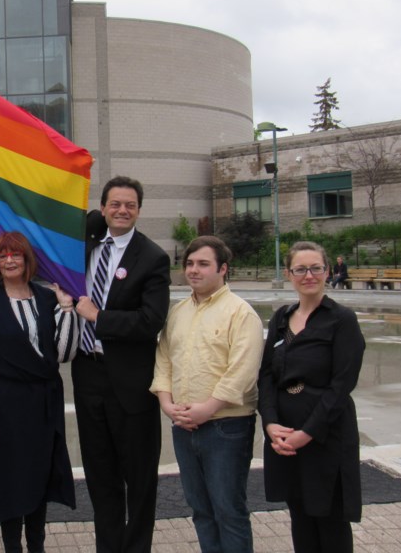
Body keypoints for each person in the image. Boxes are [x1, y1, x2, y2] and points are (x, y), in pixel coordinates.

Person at [73, 176, 171, 553]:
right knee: (100, 476)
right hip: (88, 375)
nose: (122, 210)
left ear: (140, 211)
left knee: (139, 479)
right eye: (115, 204)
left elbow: (151, 321)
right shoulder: (88, 242)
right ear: (103, 209)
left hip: (131, 385)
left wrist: (99, 317)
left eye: (130, 205)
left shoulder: (152, 258)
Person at [151, 236, 264, 553]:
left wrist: (208, 409)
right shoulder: (178, 312)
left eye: (203, 264)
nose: (193, 270)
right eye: (189, 264)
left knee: (229, 511)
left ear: (223, 269)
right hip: (183, 426)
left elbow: (241, 373)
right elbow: (164, 359)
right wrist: (167, 404)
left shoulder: (241, 314)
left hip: (226, 428)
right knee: (200, 510)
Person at [0, 232, 78, 553]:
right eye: (3, 256)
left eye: (16, 255)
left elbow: (63, 354)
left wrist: (67, 310)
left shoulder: (46, 299)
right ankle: (13, 547)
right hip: (7, 409)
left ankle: (38, 546)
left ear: (28, 260)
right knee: (11, 482)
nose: (10, 260)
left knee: (39, 478)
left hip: (43, 405)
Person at [259, 241, 365, 553]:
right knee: (300, 518)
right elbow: (266, 375)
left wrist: (307, 433)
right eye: (300, 269)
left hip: (324, 435)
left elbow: (342, 385)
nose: (309, 275)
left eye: (316, 268)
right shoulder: (281, 318)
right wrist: (270, 423)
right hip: (285, 435)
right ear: (289, 274)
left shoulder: (341, 320)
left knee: (329, 520)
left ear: (327, 272)